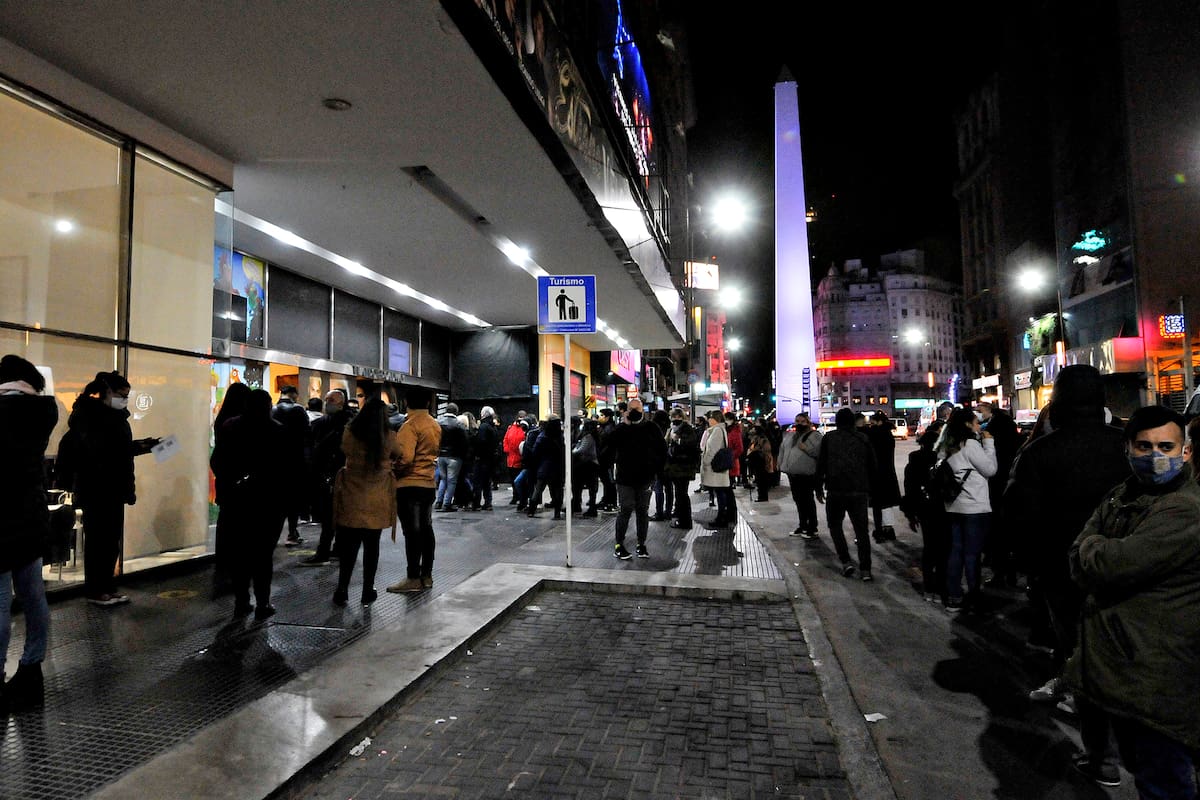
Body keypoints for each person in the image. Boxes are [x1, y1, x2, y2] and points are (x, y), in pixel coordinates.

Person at [1062, 405, 1200, 793]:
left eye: (1166, 447)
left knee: (1164, 780)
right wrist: (1093, 551)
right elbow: (1079, 557)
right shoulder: (1123, 493)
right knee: (1144, 768)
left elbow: (1108, 564)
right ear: (1127, 449)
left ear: (1185, 451)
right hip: (1128, 668)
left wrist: (1094, 548)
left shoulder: (1185, 509)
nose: (1155, 456)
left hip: (1161, 675)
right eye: (1144, 446)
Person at [1004, 365, 1128, 707]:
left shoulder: (1038, 452)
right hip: (1119, 560)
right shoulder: (1127, 446)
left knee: (1071, 632)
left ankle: (1081, 693)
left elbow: (1018, 515)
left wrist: (1030, 564)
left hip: (1059, 564)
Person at [67, 371, 160, 606]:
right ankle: (96, 590)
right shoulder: (89, 417)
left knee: (110, 542)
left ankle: (107, 586)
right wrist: (134, 448)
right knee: (99, 542)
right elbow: (101, 453)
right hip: (97, 489)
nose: (125, 400)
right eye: (122, 395)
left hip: (113, 488)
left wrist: (143, 446)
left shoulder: (115, 417)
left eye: (127, 396)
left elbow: (117, 449)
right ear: (107, 392)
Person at [0, 355, 56, 711]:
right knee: (34, 597)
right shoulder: (45, 411)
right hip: (30, 518)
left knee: (0, 602)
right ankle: (32, 670)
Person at [209, 389, 288, 620]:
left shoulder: (230, 427)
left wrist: (230, 481)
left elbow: (217, 461)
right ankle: (263, 602)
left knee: (239, 553)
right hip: (267, 502)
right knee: (263, 555)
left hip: (236, 500)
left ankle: (241, 601)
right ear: (268, 406)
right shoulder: (277, 430)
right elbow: (284, 469)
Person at [331, 397, 401, 607]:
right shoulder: (388, 436)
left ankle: (342, 589)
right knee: (372, 546)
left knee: (349, 546)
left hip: (352, 494)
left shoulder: (350, 433)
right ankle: (367, 589)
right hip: (377, 497)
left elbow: (343, 450)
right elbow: (399, 454)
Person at [934, 407, 997, 612]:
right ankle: (974, 596)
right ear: (968, 425)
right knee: (972, 554)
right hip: (974, 507)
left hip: (953, 506)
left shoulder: (946, 445)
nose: (979, 426)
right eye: (976, 423)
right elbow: (990, 469)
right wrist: (989, 444)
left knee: (956, 551)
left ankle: (954, 597)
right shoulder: (970, 444)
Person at [387, 386, 441, 593]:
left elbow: (406, 457)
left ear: (406, 403)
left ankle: (412, 577)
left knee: (412, 532)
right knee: (426, 529)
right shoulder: (434, 424)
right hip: (428, 483)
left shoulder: (409, 426)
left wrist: (394, 469)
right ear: (428, 403)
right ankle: (427, 575)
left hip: (409, 485)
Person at [816, 407, 877, 581]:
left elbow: (821, 464)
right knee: (861, 531)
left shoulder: (829, 438)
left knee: (835, 526)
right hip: (859, 490)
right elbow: (873, 466)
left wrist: (818, 488)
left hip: (836, 490)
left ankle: (846, 562)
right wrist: (872, 490)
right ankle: (865, 569)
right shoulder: (863, 439)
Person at [607, 399, 667, 559]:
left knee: (642, 511)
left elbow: (662, 450)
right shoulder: (621, 429)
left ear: (642, 410)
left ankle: (641, 544)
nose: (634, 412)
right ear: (627, 410)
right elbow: (609, 444)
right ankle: (619, 544)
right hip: (625, 478)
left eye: (637, 409)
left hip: (645, 477)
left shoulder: (651, 428)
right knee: (625, 509)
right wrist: (623, 425)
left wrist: (656, 471)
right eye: (632, 409)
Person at [301, 390, 354, 566]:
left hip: (336, 474)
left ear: (341, 403)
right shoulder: (341, 423)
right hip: (333, 475)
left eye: (331, 400)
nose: (327, 403)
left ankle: (325, 551)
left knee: (330, 516)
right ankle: (336, 549)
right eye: (326, 399)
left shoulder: (341, 424)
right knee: (333, 515)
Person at [210, 382, 251, 597]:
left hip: (225, 480)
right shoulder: (241, 423)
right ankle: (236, 567)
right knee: (240, 525)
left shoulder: (222, 420)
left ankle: (222, 565)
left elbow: (217, 457)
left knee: (225, 523)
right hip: (241, 482)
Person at [976, 401, 1020, 586]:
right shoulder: (1017, 443)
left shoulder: (992, 443)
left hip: (995, 491)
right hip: (1012, 491)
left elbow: (987, 467)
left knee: (997, 534)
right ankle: (1011, 572)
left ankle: (1000, 572)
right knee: (1010, 534)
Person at [271, 384, 310, 547]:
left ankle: (272, 536)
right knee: (293, 500)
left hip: (275, 461)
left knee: (276, 500)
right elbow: (307, 434)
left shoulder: (272, 410)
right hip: (295, 460)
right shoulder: (299, 410)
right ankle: (292, 533)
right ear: (293, 394)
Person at [777, 414, 823, 538]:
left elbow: (819, 453)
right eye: (797, 421)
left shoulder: (815, 436)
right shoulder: (790, 436)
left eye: (803, 421)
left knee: (807, 501)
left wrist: (806, 448)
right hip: (793, 474)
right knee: (798, 500)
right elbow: (782, 449)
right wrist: (780, 463)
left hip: (807, 474)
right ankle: (803, 525)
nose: (799, 424)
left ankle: (812, 527)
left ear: (808, 423)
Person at [865, 412, 901, 542]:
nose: (871, 424)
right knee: (886, 504)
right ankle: (889, 530)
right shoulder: (888, 434)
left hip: (876, 474)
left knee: (877, 505)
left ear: (878, 421)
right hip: (888, 473)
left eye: (873, 422)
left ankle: (879, 531)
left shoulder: (875, 434)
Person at [663, 406, 700, 529]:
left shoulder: (687, 429)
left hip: (684, 467)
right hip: (675, 467)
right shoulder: (671, 429)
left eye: (676, 416)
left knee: (682, 494)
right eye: (672, 417)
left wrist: (677, 440)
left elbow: (690, 445)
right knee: (679, 494)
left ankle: (685, 521)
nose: (674, 419)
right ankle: (679, 517)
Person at [699, 410, 734, 527]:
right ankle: (723, 516)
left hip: (715, 468)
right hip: (718, 468)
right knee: (720, 492)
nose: (708, 421)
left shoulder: (717, 431)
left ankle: (721, 518)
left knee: (720, 492)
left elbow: (712, 450)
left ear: (714, 419)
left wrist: (705, 462)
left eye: (710, 418)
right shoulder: (720, 429)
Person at [527, 415, 566, 519]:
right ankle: (557, 513)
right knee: (557, 491)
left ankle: (531, 511)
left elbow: (535, 452)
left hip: (544, 467)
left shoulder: (543, 436)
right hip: (558, 467)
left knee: (538, 489)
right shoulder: (560, 436)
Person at [434, 402, 467, 512]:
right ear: (456, 412)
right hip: (454, 456)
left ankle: (439, 501)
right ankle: (447, 504)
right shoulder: (459, 425)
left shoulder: (438, 423)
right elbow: (464, 442)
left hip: (441, 455)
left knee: (443, 479)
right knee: (452, 481)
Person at [468, 406, 499, 511]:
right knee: (487, 482)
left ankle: (476, 503)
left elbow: (480, 442)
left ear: (484, 414)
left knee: (478, 482)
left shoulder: (483, 427)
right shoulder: (493, 427)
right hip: (491, 458)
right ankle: (488, 503)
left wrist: (476, 453)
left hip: (482, 459)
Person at [571, 417, 601, 517]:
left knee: (578, 486)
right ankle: (590, 507)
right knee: (592, 488)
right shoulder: (593, 436)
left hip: (586, 465)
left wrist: (572, 450)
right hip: (591, 465)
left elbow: (581, 450)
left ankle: (585, 507)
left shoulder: (588, 437)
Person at [649, 409, 673, 520]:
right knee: (669, 488)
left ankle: (659, 512)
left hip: (657, 462)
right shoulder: (669, 428)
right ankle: (668, 511)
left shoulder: (653, 429)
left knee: (658, 487)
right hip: (669, 463)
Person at [596, 407, 618, 512]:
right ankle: (606, 500)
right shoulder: (604, 427)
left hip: (606, 459)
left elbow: (607, 445)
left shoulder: (610, 429)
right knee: (606, 481)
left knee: (609, 481)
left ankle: (611, 502)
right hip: (604, 458)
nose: (599, 417)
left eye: (602, 415)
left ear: (607, 417)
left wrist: (600, 455)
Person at [745, 425, 775, 502]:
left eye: (753, 429)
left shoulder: (763, 439)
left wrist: (756, 450)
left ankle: (763, 496)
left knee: (762, 479)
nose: (752, 430)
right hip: (756, 462)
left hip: (762, 462)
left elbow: (766, 450)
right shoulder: (754, 439)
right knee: (759, 479)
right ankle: (761, 495)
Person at [502, 416, 527, 504]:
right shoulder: (511, 428)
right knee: (513, 480)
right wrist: (507, 449)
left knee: (519, 480)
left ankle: (521, 497)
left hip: (519, 458)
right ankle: (515, 496)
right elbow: (505, 439)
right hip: (511, 459)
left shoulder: (524, 429)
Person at [725, 411, 745, 490]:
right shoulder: (728, 430)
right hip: (727, 463)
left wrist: (730, 456)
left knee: (728, 489)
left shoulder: (735, 431)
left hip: (731, 463)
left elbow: (739, 448)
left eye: (726, 419)